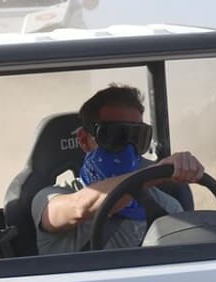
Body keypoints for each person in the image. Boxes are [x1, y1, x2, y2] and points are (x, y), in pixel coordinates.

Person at [31, 84, 205, 254]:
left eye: (137, 137)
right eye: (115, 135)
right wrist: (152, 175)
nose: (128, 149)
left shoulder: (166, 206)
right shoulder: (49, 198)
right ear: (84, 140)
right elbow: (78, 207)